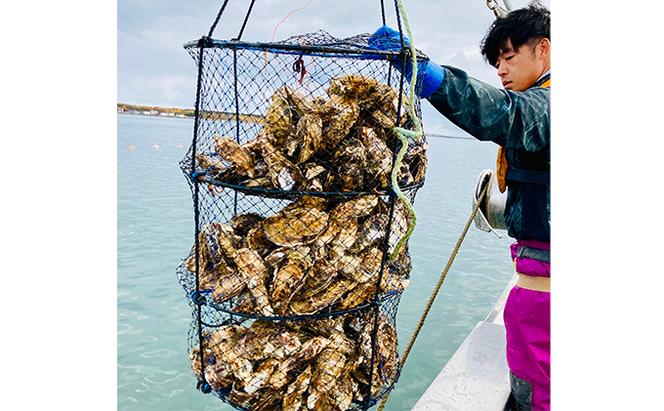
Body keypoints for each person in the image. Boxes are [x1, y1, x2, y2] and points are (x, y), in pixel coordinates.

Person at [370, 3, 551, 411]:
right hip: (539, 286)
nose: (501, 71)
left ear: (543, 50)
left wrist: (429, 77)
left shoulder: (549, 104)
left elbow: (502, 114)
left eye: (509, 57)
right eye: (496, 63)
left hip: (546, 303)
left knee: (540, 398)